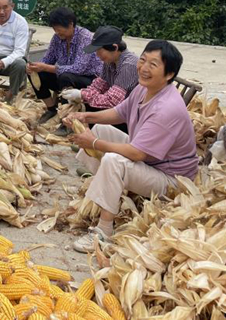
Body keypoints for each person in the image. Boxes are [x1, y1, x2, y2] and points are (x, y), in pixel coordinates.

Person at [63, 40, 197, 253]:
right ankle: (98, 188)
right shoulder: (144, 89)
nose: (144, 68)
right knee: (101, 130)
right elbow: (119, 113)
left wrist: (93, 143)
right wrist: (85, 116)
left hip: (170, 180)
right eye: (143, 60)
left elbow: (137, 153)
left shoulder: (167, 108)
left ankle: (104, 231)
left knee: (114, 160)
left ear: (169, 74)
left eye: (153, 64)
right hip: (151, 161)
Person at [27, 7, 102, 121]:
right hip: (65, 77)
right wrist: (35, 66)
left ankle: (66, 117)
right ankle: (51, 109)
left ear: (71, 24)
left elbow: (79, 68)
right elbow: (47, 59)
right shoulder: (57, 38)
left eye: (59, 29)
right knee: (36, 72)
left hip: (89, 80)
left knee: (65, 77)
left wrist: (47, 67)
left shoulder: (85, 38)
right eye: (54, 29)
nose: (57, 32)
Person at [62, 25, 139, 111]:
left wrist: (81, 95)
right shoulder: (109, 61)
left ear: (115, 47)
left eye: (99, 51)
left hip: (132, 111)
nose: (97, 55)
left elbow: (112, 101)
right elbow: (99, 86)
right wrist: (79, 95)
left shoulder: (129, 65)